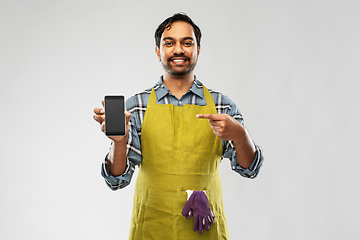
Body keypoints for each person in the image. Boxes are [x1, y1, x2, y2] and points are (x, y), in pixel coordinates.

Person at [93, 13, 264, 240]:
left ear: (198, 49)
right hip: (152, 228)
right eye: (169, 42)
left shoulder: (222, 105)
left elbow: (249, 169)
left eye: (187, 42)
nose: (178, 49)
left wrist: (240, 135)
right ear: (158, 51)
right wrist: (119, 142)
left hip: (205, 230)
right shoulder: (136, 107)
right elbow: (117, 180)